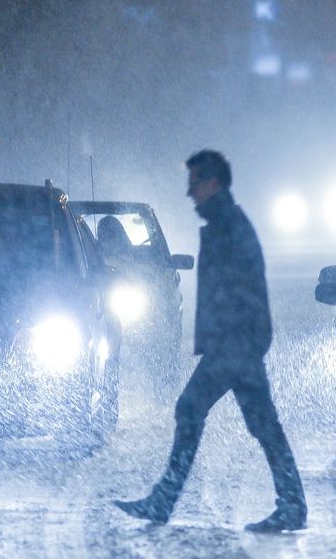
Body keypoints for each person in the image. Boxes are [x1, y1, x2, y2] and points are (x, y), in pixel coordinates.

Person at [114, 149, 307, 533]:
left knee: (193, 408)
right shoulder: (225, 222)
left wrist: (235, 341)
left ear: (213, 182)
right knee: (260, 423)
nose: (190, 192)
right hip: (237, 343)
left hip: (235, 344)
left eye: (195, 182)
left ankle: (165, 499)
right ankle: (291, 503)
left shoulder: (228, 225)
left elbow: (242, 289)